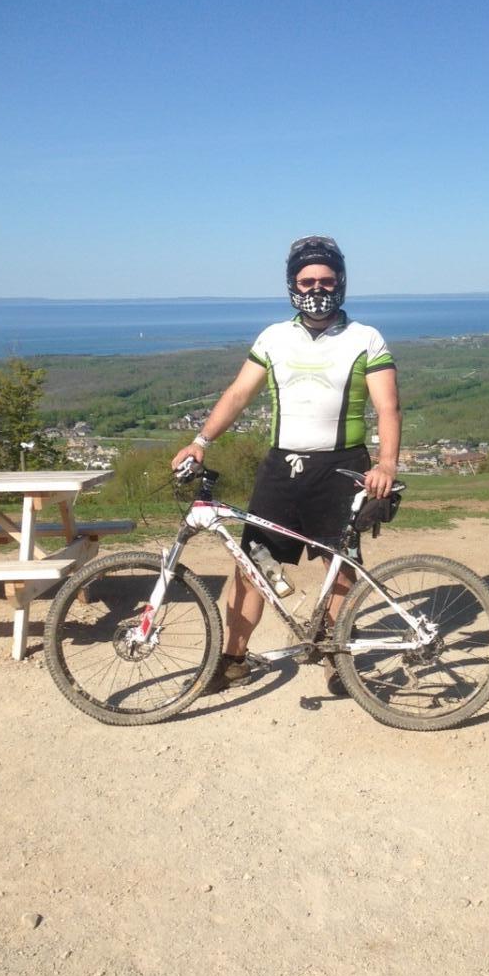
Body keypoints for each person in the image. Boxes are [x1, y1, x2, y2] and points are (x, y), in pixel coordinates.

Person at [170, 235, 401, 695]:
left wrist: (387, 463)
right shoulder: (274, 337)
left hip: (341, 468)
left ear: (342, 283)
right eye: (307, 280)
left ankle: (339, 660)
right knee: (252, 566)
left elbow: (388, 407)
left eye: (326, 280)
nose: (317, 288)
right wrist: (200, 440)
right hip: (281, 469)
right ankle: (232, 659)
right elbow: (238, 394)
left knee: (340, 567)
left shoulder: (365, 338)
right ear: (291, 284)